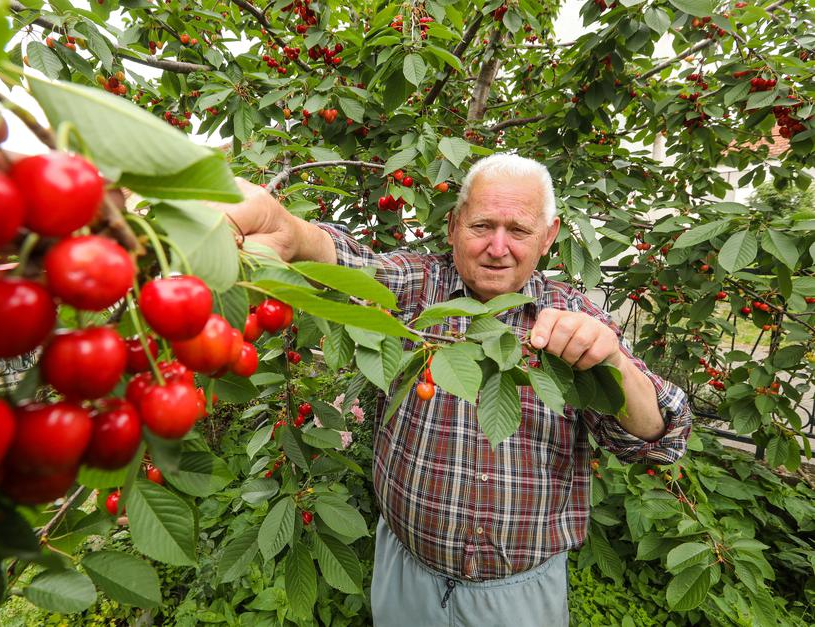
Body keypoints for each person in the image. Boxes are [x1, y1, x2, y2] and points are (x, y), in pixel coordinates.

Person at [221, 154, 692, 626]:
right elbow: (354, 264)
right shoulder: (418, 288)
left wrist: (613, 363)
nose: (498, 247)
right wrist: (291, 232)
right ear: (452, 226)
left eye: (519, 230)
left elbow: (659, 438)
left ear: (549, 237)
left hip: (519, 597)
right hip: (406, 574)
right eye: (481, 226)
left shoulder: (574, 318)